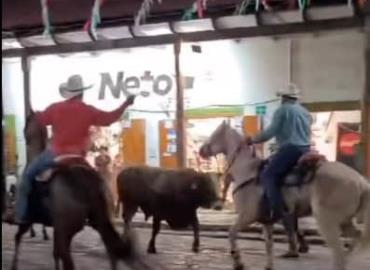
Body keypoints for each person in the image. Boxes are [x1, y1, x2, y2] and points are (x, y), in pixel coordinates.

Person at [16, 74, 136, 224]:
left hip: (55, 154)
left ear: (69, 93)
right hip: (78, 156)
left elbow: (39, 120)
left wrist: (33, 113)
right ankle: (103, 214)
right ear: (82, 93)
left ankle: (20, 215)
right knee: (99, 183)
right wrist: (125, 104)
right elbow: (109, 118)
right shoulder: (88, 110)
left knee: (27, 175)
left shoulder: (56, 108)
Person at [244, 83, 312, 220]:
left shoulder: (282, 110)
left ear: (284, 98)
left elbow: (270, 132)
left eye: (281, 97)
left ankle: (278, 210)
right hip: (306, 149)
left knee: (268, 175)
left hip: (290, 150)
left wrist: (251, 139)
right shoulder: (305, 112)